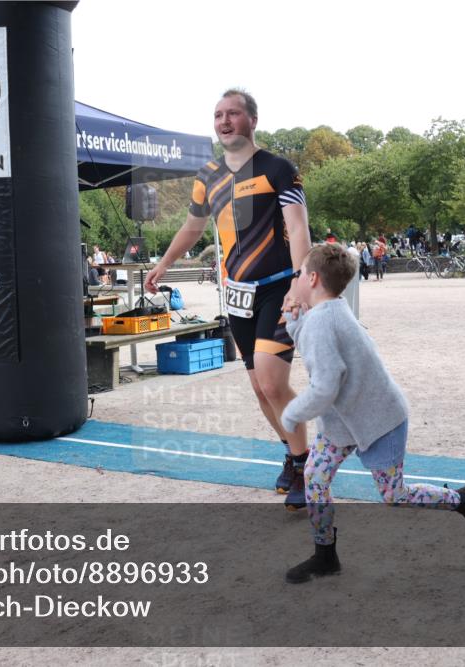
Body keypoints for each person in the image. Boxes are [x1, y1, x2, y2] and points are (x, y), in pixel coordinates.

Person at [279, 244, 465, 583]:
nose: (295, 279)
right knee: (315, 479)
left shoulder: (324, 319)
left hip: (378, 420)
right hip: (344, 422)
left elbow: (324, 387)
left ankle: (464, 499)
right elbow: (313, 341)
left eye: (299, 273)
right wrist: (294, 319)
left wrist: (292, 414)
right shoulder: (329, 309)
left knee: (395, 495)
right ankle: (325, 555)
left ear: (313, 278)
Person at [145, 89, 313, 509]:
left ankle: (306, 462)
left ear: (251, 120)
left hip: (277, 286)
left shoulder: (278, 168)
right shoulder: (208, 176)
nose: (223, 121)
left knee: (274, 381)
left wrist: (298, 282)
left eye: (233, 113)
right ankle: (292, 455)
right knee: (259, 387)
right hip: (237, 294)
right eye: (218, 114)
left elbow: (298, 227)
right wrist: (163, 263)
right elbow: (192, 227)